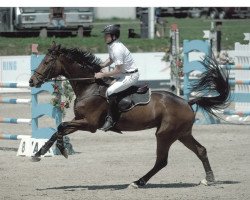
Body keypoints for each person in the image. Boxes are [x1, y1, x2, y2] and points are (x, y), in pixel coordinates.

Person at [95, 24, 140, 131]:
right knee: (106, 87)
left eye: (107, 35)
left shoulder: (117, 49)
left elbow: (118, 70)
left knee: (110, 91)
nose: (104, 37)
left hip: (130, 75)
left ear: (113, 36)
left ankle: (111, 120)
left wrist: (102, 74)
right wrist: (100, 66)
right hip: (124, 74)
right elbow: (110, 59)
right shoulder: (111, 45)